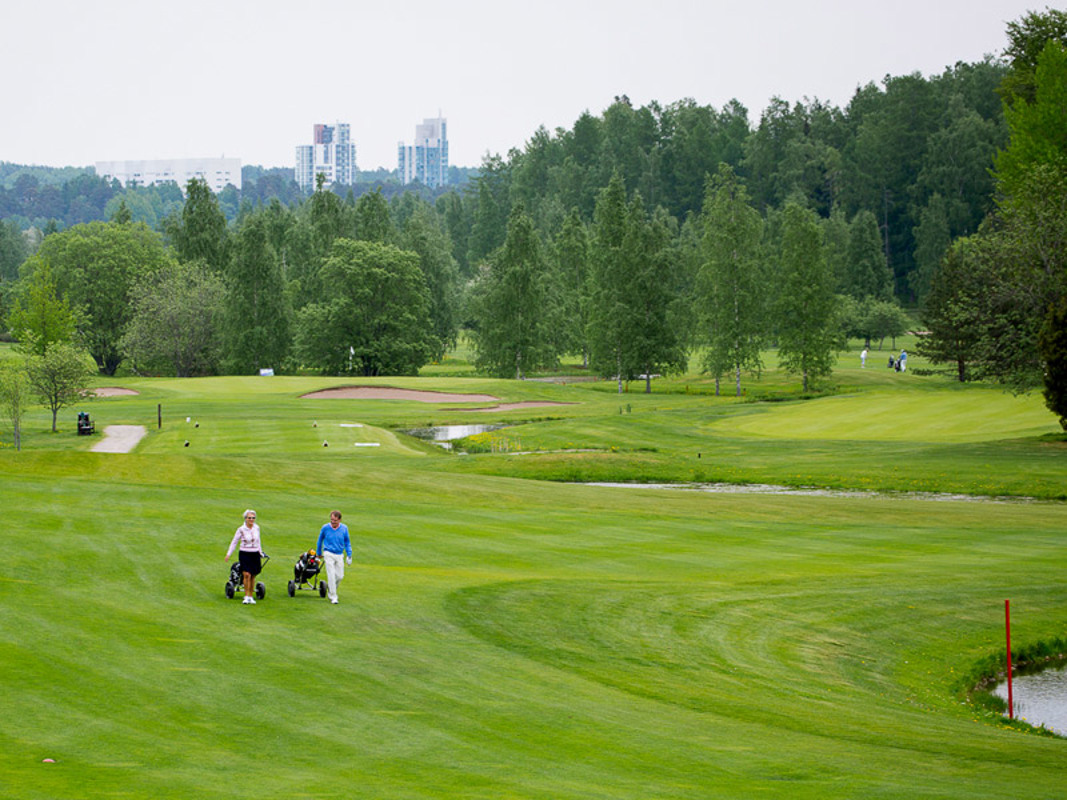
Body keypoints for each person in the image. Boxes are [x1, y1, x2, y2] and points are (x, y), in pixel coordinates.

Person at [225, 509, 265, 605]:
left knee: (252, 575)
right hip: (245, 553)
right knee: (246, 574)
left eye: (253, 518)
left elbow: (258, 541)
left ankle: (251, 596)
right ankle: (246, 596)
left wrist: (260, 552)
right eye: (249, 518)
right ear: (245, 519)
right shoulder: (241, 529)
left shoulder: (257, 528)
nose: (251, 520)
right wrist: (228, 554)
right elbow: (234, 542)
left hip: (254, 553)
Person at [316, 510, 352, 605]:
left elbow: (347, 542)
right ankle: (333, 596)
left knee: (340, 576)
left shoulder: (344, 528)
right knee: (331, 575)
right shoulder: (325, 528)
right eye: (331, 520)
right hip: (328, 553)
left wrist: (349, 555)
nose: (333, 522)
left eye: (335, 520)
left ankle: (331, 589)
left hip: (339, 554)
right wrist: (319, 552)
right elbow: (320, 540)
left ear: (339, 520)